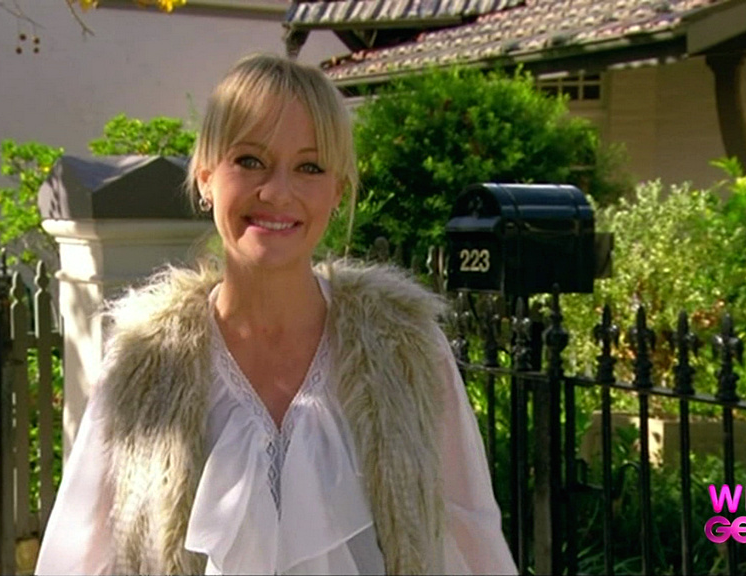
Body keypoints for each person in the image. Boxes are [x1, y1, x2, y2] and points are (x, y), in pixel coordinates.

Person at [35, 53, 518, 576]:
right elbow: (76, 556)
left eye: (309, 167)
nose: (277, 192)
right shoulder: (146, 362)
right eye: (250, 161)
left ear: (338, 191)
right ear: (205, 178)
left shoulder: (406, 351)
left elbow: (471, 536)